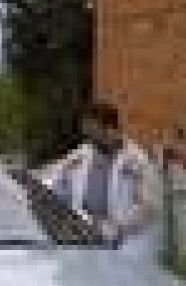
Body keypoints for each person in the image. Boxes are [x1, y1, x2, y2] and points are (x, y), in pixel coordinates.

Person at [42, 101, 159, 259]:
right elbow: (51, 182)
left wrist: (117, 228)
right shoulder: (81, 155)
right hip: (86, 242)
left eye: (94, 134)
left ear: (110, 129)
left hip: (128, 245)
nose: (90, 140)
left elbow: (147, 207)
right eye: (87, 134)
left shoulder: (137, 162)